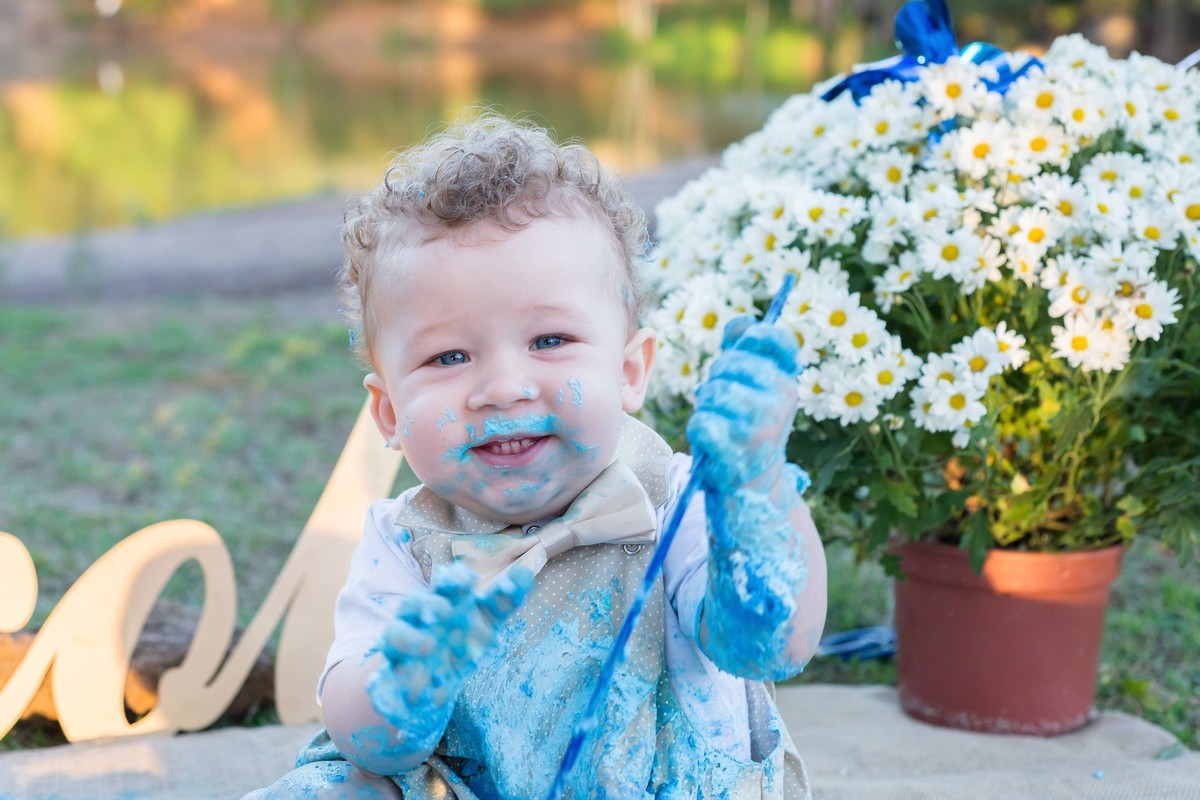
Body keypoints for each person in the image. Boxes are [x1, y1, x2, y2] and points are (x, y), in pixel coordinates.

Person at [244, 111, 827, 800]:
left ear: (630, 370)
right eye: (449, 356)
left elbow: (770, 646)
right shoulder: (404, 540)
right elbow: (352, 728)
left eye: (549, 340)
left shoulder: (675, 499)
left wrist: (755, 493)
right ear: (391, 414)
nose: (503, 388)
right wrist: (399, 690)